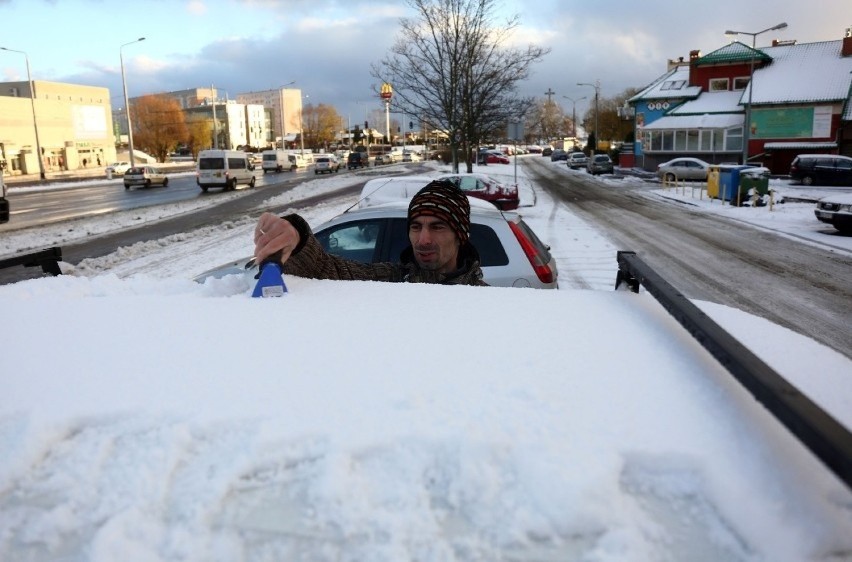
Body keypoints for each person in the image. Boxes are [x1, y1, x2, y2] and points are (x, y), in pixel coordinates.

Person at [253, 180, 487, 286]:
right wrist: (297, 236)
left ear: (461, 234)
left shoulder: (490, 303)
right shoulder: (389, 281)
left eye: (437, 227)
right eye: (416, 227)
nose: (423, 240)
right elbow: (326, 269)